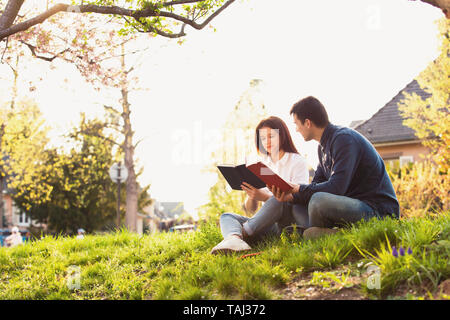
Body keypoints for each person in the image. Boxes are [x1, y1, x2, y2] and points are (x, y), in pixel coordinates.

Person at [269, 96, 400, 239]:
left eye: (296, 124)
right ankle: (321, 234)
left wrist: (298, 188)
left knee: (318, 200)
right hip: (356, 208)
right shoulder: (323, 149)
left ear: (307, 123)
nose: (296, 130)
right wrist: (291, 196)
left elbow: (337, 188)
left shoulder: (344, 139)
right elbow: (315, 185)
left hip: (378, 211)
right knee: (301, 201)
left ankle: (323, 234)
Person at [210, 116, 309, 254]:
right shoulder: (262, 166)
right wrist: (252, 195)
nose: (267, 142)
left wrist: (264, 197)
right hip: (266, 223)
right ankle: (234, 238)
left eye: (271, 136)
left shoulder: (297, 161)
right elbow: (251, 210)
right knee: (227, 217)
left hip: (288, 222)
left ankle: (242, 234)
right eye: (262, 138)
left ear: (282, 135)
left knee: (278, 199)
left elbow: (300, 197)